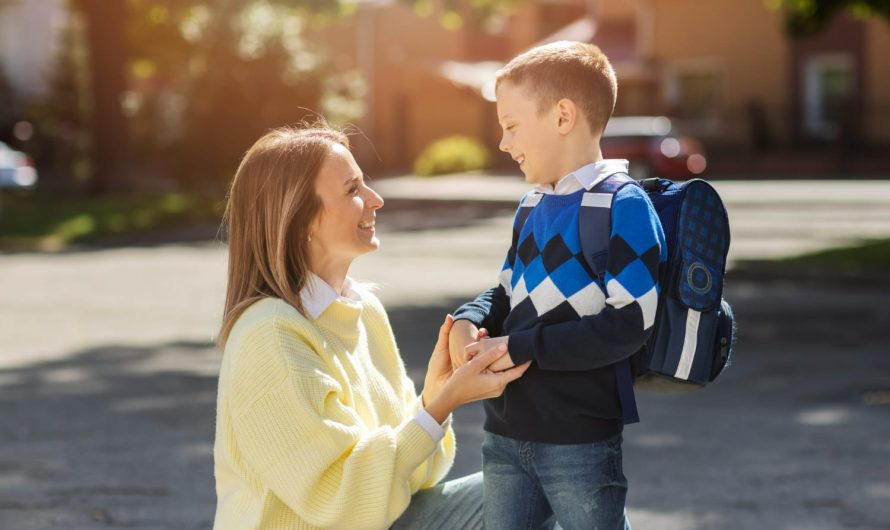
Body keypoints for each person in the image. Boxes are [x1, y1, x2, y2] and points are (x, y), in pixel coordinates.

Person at [213, 123, 531, 530]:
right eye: (353, 190)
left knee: (546, 484)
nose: (375, 199)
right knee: (537, 491)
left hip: (383, 522)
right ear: (300, 219)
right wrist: (440, 406)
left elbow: (417, 479)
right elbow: (342, 507)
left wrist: (433, 398)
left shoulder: (363, 310)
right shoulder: (270, 335)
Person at [448, 41, 667, 530]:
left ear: (563, 116)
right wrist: (470, 317)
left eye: (511, 125)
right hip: (504, 433)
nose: (503, 142)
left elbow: (629, 324)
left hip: (579, 440)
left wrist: (520, 346)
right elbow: (506, 291)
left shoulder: (623, 204)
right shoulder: (531, 205)